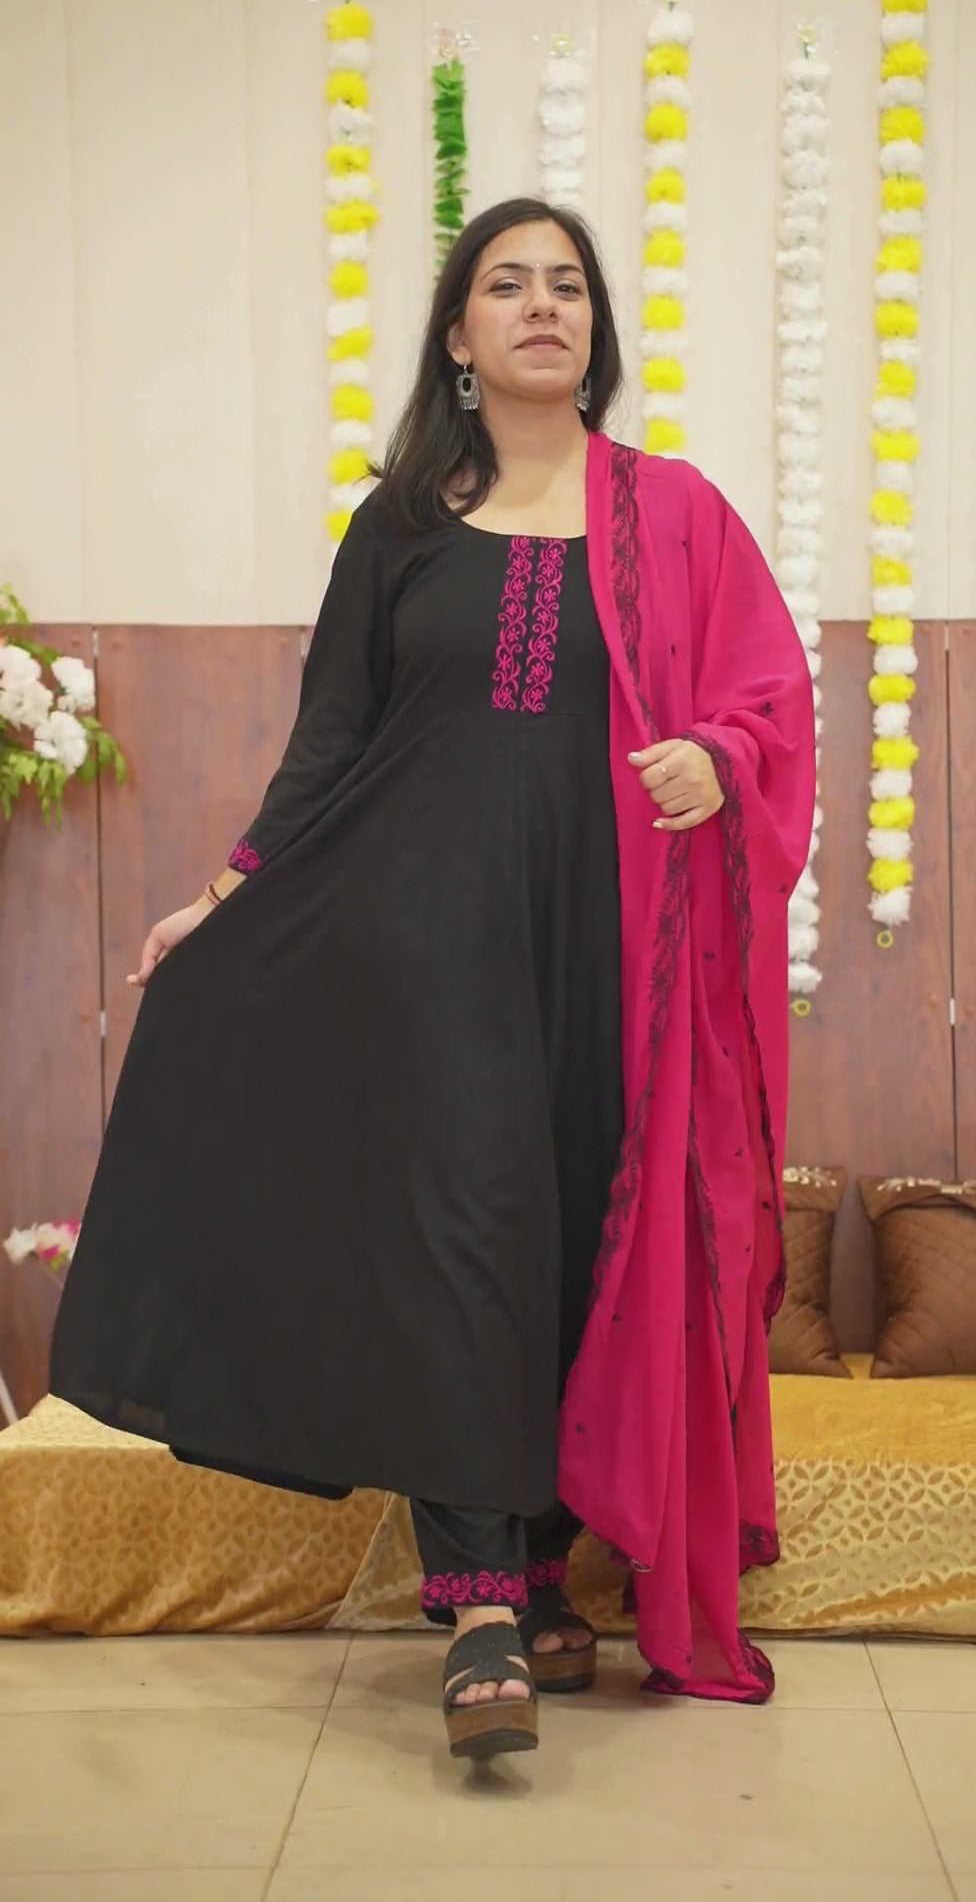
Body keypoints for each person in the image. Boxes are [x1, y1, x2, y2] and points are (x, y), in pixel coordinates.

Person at [50, 196, 815, 1760]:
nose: (542, 307)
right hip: (419, 940)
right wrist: (223, 898)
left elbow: (768, 698)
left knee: (576, 1243)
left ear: (595, 329)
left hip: (611, 952)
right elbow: (330, 743)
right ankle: (475, 1608)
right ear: (458, 335)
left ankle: (535, 1569)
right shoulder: (398, 525)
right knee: (462, 1234)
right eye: (506, 285)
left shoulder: (677, 514)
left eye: (568, 286)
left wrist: (716, 759)